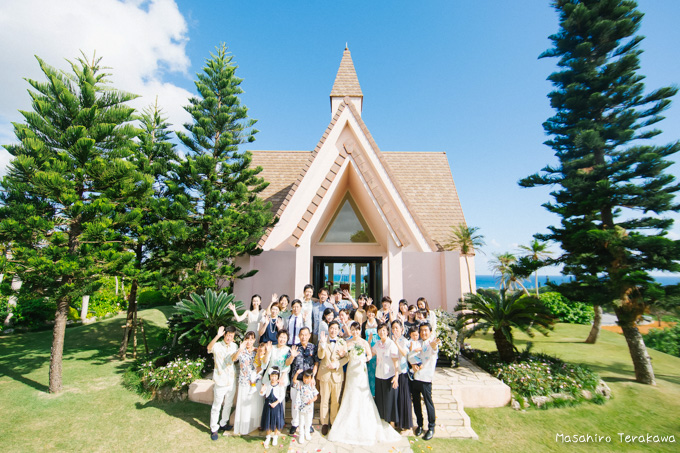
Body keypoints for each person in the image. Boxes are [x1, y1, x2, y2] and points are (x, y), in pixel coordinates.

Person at [327, 322, 402, 446]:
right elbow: (345, 356)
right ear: (350, 331)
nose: (355, 332)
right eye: (353, 330)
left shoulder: (364, 342)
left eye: (357, 330)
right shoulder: (348, 343)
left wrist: (364, 359)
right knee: (350, 393)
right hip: (351, 370)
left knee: (362, 393)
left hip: (361, 371)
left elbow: (369, 355)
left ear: (360, 330)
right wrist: (342, 354)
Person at [317, 321, 348, 435]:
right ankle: (324, 423)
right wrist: (322, 345)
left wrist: (337, 364)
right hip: (325, 374)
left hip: (337, 375)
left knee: (335, 400)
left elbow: (347, 358)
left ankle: (333, 421)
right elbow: (320, 356)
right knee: (324, 400)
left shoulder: (342, 342)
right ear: (328, 329)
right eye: (331, 328)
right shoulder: (323, 341)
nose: (333, 330)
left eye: (335, 328)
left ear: (339, 330)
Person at [409, 322, 440, 441]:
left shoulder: (432, 344)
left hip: (426, 380)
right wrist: (413, 363)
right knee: (416, 403)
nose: (423, 333)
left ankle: (431, 427)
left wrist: (434, 345)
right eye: (421, 330)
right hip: (416, 378)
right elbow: (410, 355)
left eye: (426, 330)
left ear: (430, 332)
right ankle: (420, 425)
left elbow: (434, 348)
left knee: (428, 403)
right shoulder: (418, 343)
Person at [207, 325, 237, 440]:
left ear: (234, 337)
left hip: (231, 380)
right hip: (220, 380)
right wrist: (217, 335)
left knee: (228, 403)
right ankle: (214, 428)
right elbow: (209, 348)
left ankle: (223, 423)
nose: (229, 338)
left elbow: (234, 359)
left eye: (231, 336)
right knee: (217, 405)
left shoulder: (235, 346)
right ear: (224, 335)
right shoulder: (217, 345)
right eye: (228, 335)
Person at [288, 327, 318, 436]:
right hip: (296, 380)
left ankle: (308, 424)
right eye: (301, 334)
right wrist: (292, 356)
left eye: (306, 334)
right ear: (299, 335)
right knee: (295, 402)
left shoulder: (313, 347)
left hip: (308, 381)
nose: (303, 337)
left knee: (309, 402)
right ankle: (295, 424)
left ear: (309, 335)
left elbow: (316, 363)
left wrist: (313, 377)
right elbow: (287, 363)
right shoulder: (295, 347)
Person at [233, 331, 264, 435]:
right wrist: (240, 349)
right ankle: (244, 427)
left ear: (254, 340)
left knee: (253, 405)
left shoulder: (256, 351)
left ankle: (254, 425)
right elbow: (233, 359)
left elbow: (261, 364)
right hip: (243, 381)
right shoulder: (241, 351)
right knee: (244, 405)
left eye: (252, 339)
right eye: (247, 339)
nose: (249, 341)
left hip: (254, 382)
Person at [372, 322, 399, 426]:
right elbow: (371, 353)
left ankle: (391, 424)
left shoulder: (391, 344)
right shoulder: (378, 343)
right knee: (380, 399)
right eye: (380, 330)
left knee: (390, 401)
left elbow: (396, 362)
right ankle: (382, 422)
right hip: (379, 375)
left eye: (384, 330)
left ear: (387, 332)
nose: (381, 332)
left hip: (389, 376)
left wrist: (396, 377)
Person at [391, 320, 413, 431]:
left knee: (404, 398)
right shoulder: (391, 341)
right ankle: (396, 422)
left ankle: (405, 425)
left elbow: (404, 353)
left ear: (401, 330)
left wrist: (396, 343)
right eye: (393, 328)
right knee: (396, 398)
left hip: (402, 372)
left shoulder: (404, 341)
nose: (395, 330)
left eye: (397, 328)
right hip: (393, 372)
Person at [291, 369, 318, 445]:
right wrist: (296, 373)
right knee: (301, 422)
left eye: (308, 378)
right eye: (304, 378)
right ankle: (301, 435)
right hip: (301, 408)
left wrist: (311, 400)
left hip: (309, 408)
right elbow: (294, 380)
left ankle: (307, 433)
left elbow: (316, 396)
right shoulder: (300, 384)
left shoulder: (312, 386)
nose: (306, 380)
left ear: (311, 378)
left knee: (308, 421)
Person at [260, 367, 286, 447]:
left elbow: (282, 395)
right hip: (268, 403)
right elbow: (262, 393)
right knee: (268, 419)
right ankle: (268, 436)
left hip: (276, 404)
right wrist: (262, 390)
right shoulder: (267, 384)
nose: (273, 378)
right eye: (272, 376)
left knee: (276, 419)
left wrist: (276, 403)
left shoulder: (280, 385)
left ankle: (275, 436)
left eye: (275, 376)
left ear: (278, 376)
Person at [362, 304, 379, 396]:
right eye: (369, 312)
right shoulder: (364, 324)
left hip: (378, 349)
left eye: (373, 312)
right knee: (369, 372)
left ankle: (378, 392)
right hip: (368, 348)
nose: (371, 314)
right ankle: (370, 393)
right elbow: (362, 337)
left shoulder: (379, 322)